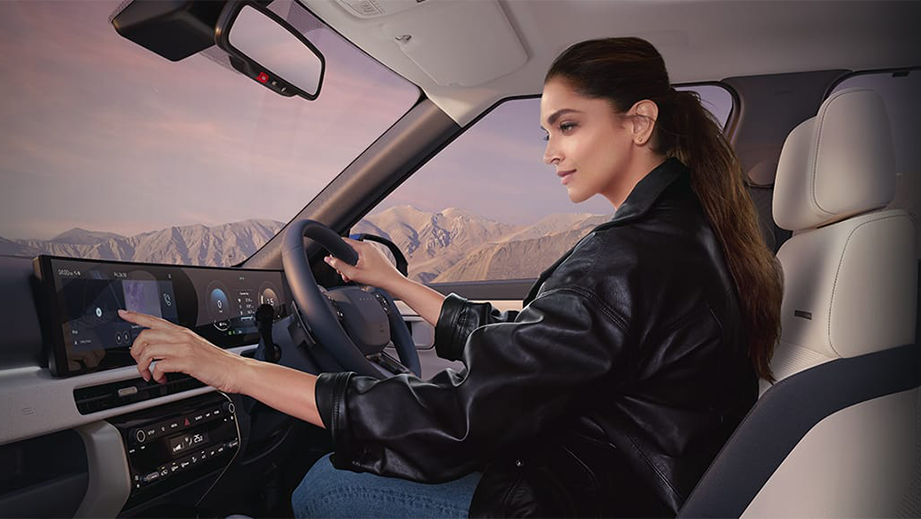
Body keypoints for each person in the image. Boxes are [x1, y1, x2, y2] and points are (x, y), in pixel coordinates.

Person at [121, 37, 783, 518]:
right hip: (610, 482)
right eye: (546, 130)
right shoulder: (679, 237)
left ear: (637, 122)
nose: (549, 151)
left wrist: (232, 370)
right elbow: (533, 346)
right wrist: (397, 283)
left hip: (581, 497)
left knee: (323, 484)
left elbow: (460, 418)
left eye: (568, 126)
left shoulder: (632, 257)